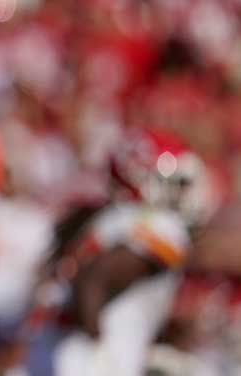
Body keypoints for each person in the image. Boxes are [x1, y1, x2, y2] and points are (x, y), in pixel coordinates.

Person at [22, 129, 213, 376]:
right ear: (140, 179)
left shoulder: (97, 217)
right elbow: (95, 279)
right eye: (174, 183)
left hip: (43, 355)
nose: (183, 195)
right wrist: (99, 346)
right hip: (81, 363)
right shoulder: (160, 227)